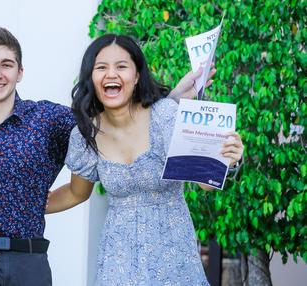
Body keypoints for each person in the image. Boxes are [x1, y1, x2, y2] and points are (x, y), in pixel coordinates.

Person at [0, 26, 205, 286]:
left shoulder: (51, 119)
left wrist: (170, 104)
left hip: (30, 256)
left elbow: (118, 118)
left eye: (7, 64)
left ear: (20, 72)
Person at [47, 34, 244, 285]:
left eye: (121, 66)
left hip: (173, 253)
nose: (111, 74)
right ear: (91, 77)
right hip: (118, 258)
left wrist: (229, 160)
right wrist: (25, 205)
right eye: (101, 67)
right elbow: (76, 193)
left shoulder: (165, 116)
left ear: (137, 75)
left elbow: (204, 182)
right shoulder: (87, 133)